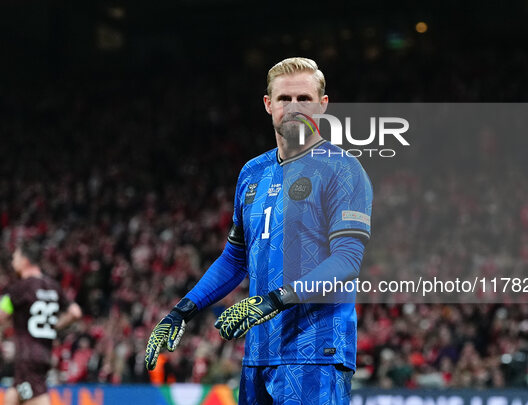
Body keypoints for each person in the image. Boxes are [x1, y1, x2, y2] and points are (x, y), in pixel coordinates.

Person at [145, 57, 372, 404]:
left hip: (316, 354)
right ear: (268, 105)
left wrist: (273, 300)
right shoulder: (252, 173)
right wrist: (181, 312)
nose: (294, 108)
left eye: (304, 99)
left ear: (323, 105)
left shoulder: (342, 170)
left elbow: (346, 261)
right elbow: (234, 259)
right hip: (258, 355)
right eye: (284, 99)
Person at [0, 241, 82, 405]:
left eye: (15, 258)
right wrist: (53, 326)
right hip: (44, 354)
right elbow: (75, 312)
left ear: (25, 261)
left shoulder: (19, 289)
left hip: (27, 357)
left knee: (35, 397)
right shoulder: (54, 286)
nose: (13, 262)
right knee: (15, 395)